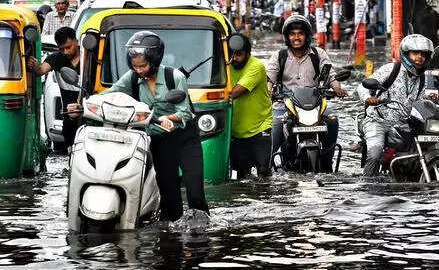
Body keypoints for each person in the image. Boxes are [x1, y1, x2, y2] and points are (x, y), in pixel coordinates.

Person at [97, 31, 209, 222]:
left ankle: (202, 230)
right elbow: (112, 93)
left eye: (143, 66)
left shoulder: (174, 77)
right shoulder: (132, 78)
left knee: (195, 191)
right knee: (169, 194)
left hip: (185, 139)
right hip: (159, 141)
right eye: (135, 66)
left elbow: (184, 113)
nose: (139, 70)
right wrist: (87, 103)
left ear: (155, 61)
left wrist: (168, 117)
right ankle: (171, 234)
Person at [266, 15, 347, 169]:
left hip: (314, 105)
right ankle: (266, 167)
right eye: (292, 34)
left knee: (332, 119)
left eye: (300, 34)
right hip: (285, 105)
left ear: (307, 36)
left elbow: (330, 76)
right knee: (275, 126)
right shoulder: (279, 56)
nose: (296, 38)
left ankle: (327, 159)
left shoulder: (319, 54)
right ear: (287, 37)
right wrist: (268, 91)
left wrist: (337, 88)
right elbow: (269, 79)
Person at [356, 34, 434, 176]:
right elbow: (362, 86)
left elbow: (422, 101)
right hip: (378, 120)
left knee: (427, 146)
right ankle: (367, 183)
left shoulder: (423, 78)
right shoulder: (391, 69)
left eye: (423, 54)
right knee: (375, 153)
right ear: (406, 54)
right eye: (415, 53)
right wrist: (368, 98)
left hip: (405, 123)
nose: (419, 57)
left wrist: (433, 100)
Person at [27, 26, 81, 150]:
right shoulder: (56, 58)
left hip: (88, 112)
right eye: (62, 49)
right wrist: (33, 64)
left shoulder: (88, 57)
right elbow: (41, 70)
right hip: (69, 114)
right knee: (70, 144)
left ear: (76, 42)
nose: (65, 52)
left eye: (68, 47)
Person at [228, 33, 273, 179]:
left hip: (259, 128)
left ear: (248, 53)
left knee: (263, 175)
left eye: (238, 54)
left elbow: (234, 93)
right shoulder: (226, 65)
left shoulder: (256, 66)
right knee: (239, 176)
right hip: (236, 131)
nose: (234, 58)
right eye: (231, 54)